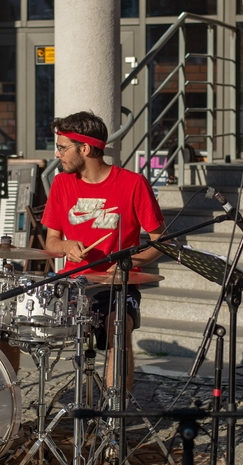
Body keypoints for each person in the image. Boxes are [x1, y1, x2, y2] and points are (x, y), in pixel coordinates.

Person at [41, 110, 165, 392]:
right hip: (74, 284)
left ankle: (114, 416)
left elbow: (161, 242)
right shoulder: (61, 184)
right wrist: (66, 246)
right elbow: (51, 242)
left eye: (62, 148)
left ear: (84, 148)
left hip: (119, 286)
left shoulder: (133, 184)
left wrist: (128, 262)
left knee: (116, 330)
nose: (57, 154)